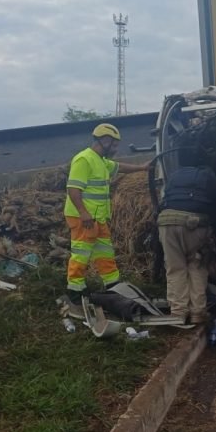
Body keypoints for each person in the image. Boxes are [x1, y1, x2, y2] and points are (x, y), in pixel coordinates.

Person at [64, 123, 148, 302]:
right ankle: (75, 291)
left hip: (98, 217)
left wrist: (142, 167)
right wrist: (84, 213)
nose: (116, 148)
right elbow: (73, 189)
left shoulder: (101, 161)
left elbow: (119, 167)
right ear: (105, 141)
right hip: (84, 217)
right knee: (81, 253)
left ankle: (112, 285)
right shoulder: (84, 159)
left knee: (105, 252)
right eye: (114, 144)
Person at [156, 165, 216, 324]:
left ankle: (178, 313)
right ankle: (197, 313)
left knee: (175, 267)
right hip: (196, 224)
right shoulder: (208, 177)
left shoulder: (174, 176)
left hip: (167, 222)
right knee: (196, 265)